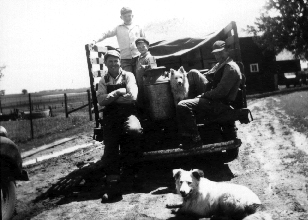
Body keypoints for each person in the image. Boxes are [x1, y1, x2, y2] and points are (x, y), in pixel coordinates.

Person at [176, 40, 249, 149]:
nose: (217, 55)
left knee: (183, 105)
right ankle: (188, 101)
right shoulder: (221, 64)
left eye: (221, 52)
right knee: (192, 73)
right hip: (213, 99)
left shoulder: (230, 68)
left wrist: (203, 95)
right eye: (215, 53)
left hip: (219, 104)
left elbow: (221, 92)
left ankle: (195, 139)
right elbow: (208, 76)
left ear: (227, 51)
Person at [96, 50, 143, 201]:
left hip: (128, 114)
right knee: (110, 144)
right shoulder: (103, 80)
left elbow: (133, 96)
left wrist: (110, 98)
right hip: (110, 117)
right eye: (110, 61)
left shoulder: (128, 76)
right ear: (106, 63)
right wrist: (118, 93)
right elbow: (101, 101)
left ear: (120, 62)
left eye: (116, 61)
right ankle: (112, 183)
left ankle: (133, 174)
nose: (114, 64)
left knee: (134, 131)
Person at [91, 7, 145, 73]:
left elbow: (145, 41)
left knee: (140, 77)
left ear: (132, 16)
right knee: (128, 78)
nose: (127, 18)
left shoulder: (138, 27)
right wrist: (94, 40)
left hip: (138, 57)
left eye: (129, 16)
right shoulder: (118, 28)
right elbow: (106, 34)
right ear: (121, 17)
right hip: (125, 59)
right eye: (125, 16)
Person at [134, 37, 157, 108]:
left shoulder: (150, 57)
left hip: (147, 84)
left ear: (148, 46)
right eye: (139, 47)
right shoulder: (139, 58)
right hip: (140, 83)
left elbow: (154, 69)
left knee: (148, 100)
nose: (141, 48)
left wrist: (147, 67)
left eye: (143, 46)